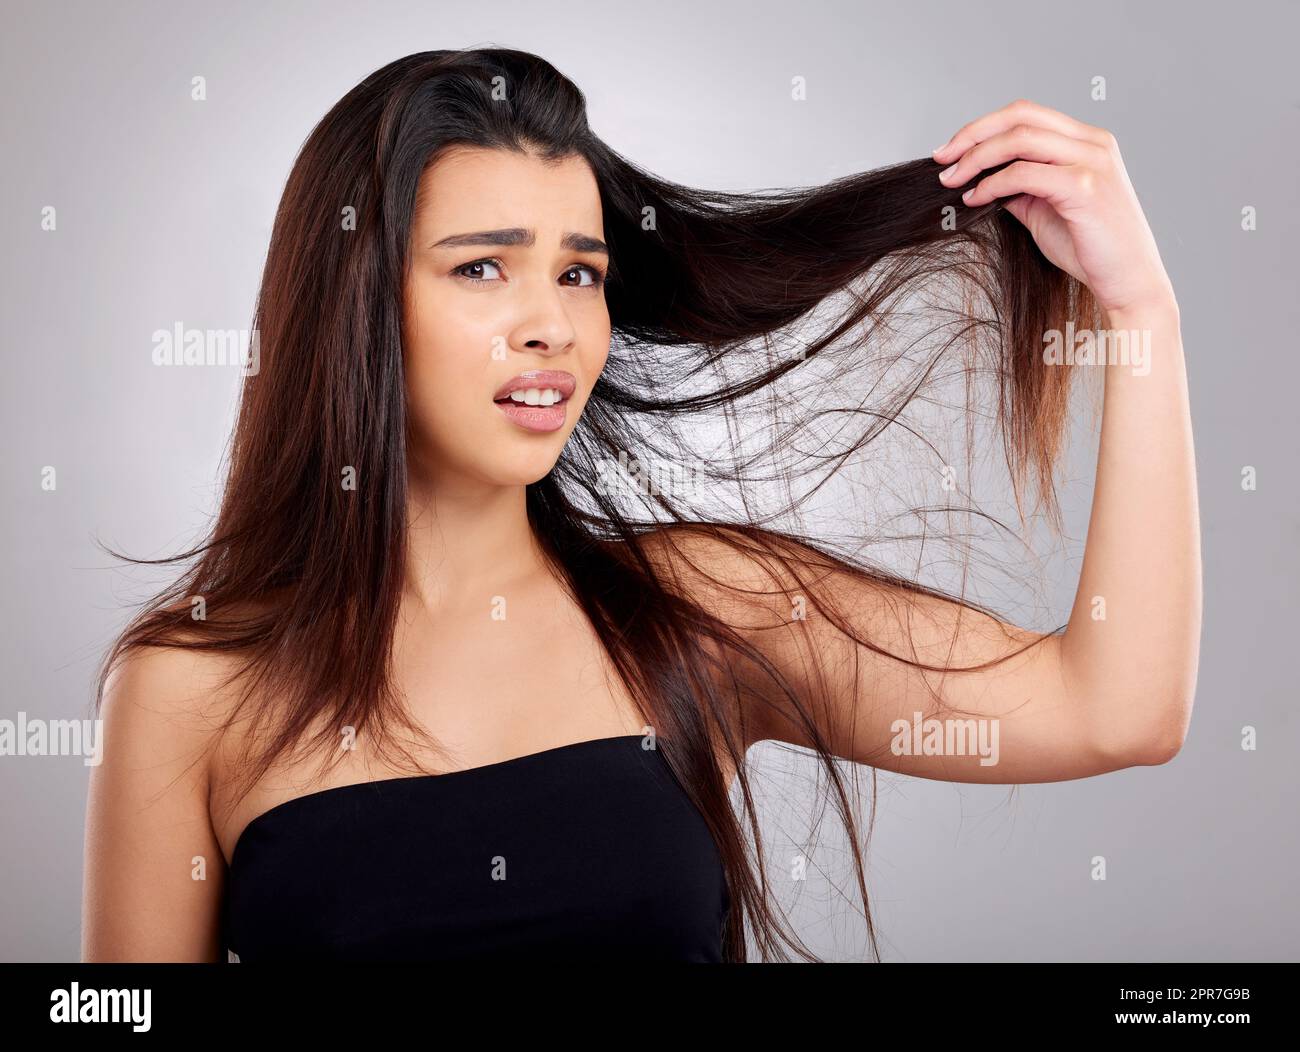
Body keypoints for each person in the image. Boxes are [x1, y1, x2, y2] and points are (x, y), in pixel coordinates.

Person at [82, 48, 1199, 963]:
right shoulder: (191, 692)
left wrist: (1140, 310)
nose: (552, 325)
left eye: (578, 272)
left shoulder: (702, 608)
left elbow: (1114, 704)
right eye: (482, 269)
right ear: (355, 304)